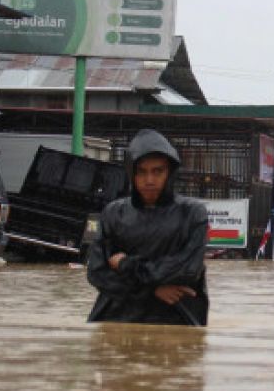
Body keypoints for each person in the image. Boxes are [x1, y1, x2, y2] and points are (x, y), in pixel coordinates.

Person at [86, 129, 209, 326]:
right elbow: (97, 273)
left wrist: (127, 265)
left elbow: (188, 269)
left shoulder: (192, 214)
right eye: (141, 172)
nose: (149, 180)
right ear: (131, 174)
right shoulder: (113, 213)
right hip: (117, 319)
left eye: (157, 171)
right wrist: (152, 290)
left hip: (177, 319)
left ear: (169, 173)